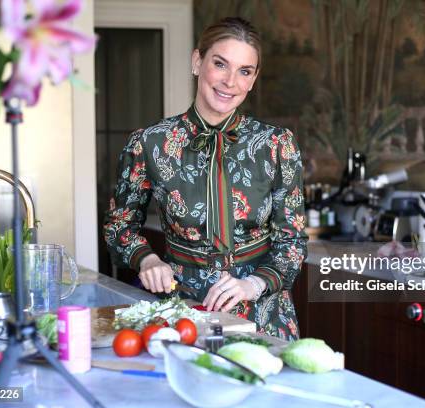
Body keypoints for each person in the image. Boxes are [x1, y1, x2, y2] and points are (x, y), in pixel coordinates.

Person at [104, 17, 308, 341]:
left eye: (244, 71)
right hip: (184, 313)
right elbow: (119, 226)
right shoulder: (150, 143)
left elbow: (292, 242)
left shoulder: (276, 145)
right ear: (197, 62)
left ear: (253, 79)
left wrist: (254, 284)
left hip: (264, 315)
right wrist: (148, 260)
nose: (230, 81)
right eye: (220, 64)